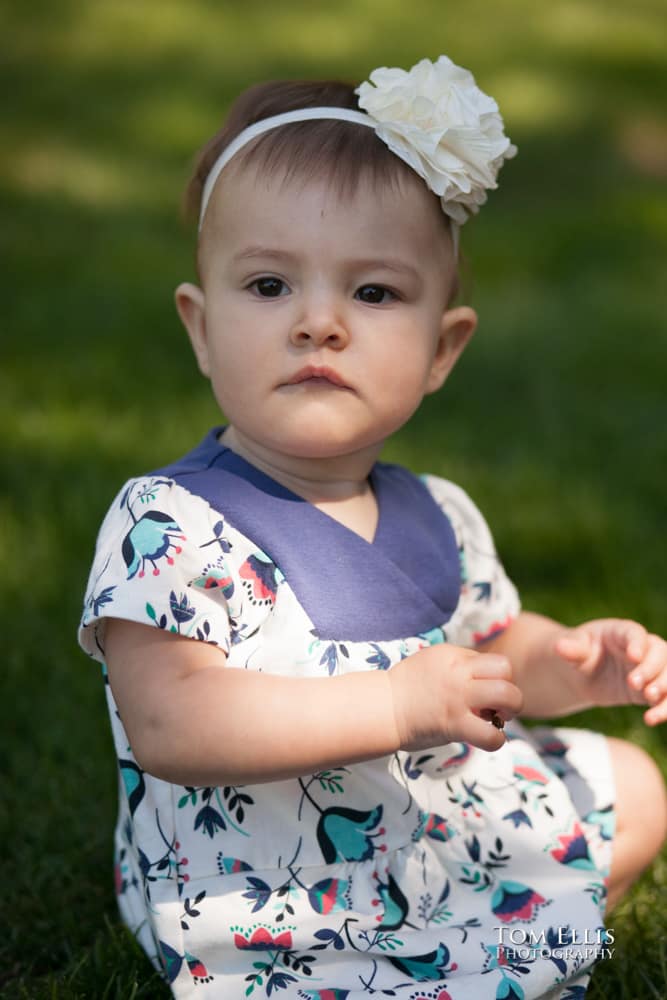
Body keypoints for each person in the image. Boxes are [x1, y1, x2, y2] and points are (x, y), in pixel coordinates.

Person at [78, 56, 667, 999]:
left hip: (426, 823)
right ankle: (476, 956)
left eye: (374, 294)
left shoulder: (436, 509)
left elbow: (492, 648)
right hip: (273, 899)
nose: (319, 323)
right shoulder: (170, 523)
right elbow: (170, 722)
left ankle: (487, 937)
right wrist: (393, 708)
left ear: (442, 348)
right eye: (269, 287)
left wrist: (570, 664)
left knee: (634, 785)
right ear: (199, 327)